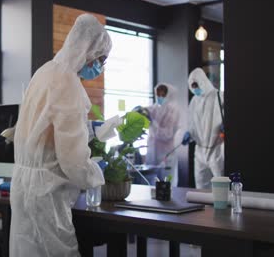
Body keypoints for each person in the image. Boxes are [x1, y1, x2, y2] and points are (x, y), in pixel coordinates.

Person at [10, 14, 112, 257]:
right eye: (100, 59)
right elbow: (72, 158)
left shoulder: (44, 72)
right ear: (89, 50)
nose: (99, 67)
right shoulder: (69, 85)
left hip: (22, 184)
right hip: (47, 192)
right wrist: (95, 174)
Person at [182, 68, 224, 189]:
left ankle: (222, 207)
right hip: (200, 149)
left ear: (203, 81)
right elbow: (191, 123)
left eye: (197, 85)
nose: (195, 89)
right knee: (201, 185)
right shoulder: (194, 101)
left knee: (221, 184)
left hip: (216, 147)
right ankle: (204, 208)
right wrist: (189, 133)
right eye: (192, 86)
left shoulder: (218, 96)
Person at [133, 83, 181, 186]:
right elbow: (144, 111)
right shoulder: (155, 108)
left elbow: (167, 134)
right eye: (158, 94)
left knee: (166, 185)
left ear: (168, 95)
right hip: (152, 153)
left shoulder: (172, 110)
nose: (160, 97)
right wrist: (139, 111)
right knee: (151, 185)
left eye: (163, 94)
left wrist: (152, 123)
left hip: (166, 154)